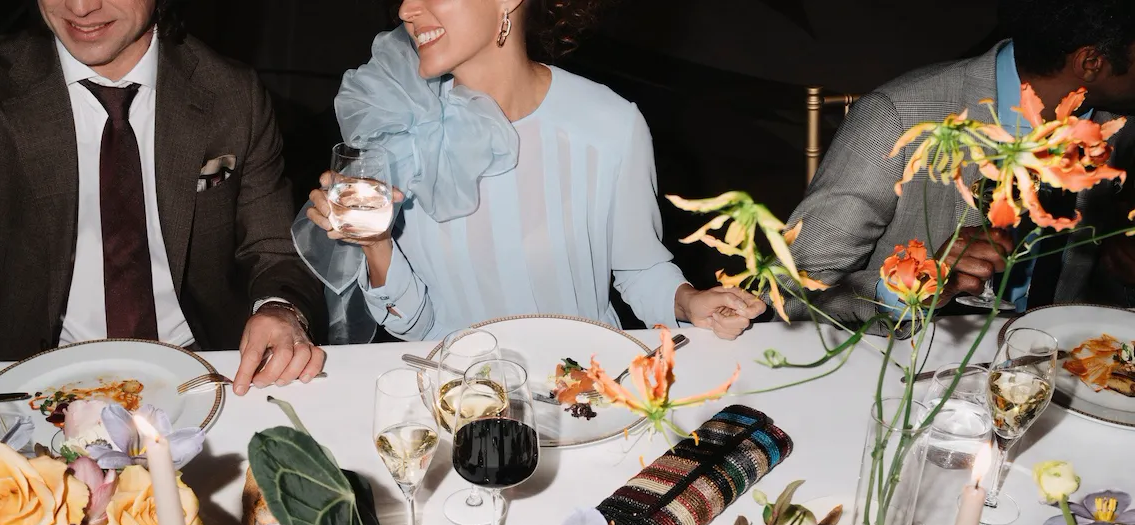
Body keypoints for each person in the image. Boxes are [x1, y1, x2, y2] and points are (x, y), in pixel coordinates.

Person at [301, 0, 766, 342]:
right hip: (458, 404)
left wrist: (689, 302)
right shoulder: (400, 132)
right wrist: (376, 245)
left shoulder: (609, 123)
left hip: (586, 395)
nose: (406, 9)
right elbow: (416, 325)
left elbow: (640, 268)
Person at [0, 0, 326, 395]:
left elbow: (273, 248)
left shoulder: (234, 95)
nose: (81, 7)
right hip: (24, 375)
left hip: (201, 369)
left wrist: (281, 310)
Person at [784, 0, 1135, 326]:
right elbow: (792, 289)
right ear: (1091, 63)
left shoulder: (1119, 125)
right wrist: (913, 285)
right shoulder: (898, 116)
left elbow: (1087, 268)